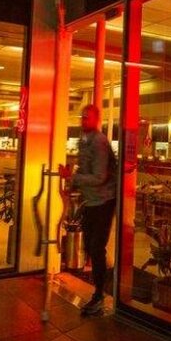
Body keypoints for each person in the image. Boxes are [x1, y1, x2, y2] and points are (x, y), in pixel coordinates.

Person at [62, 104, 116, 315]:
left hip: (104, 201)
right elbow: (84, 169)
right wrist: (72, 183)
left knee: (96, 248)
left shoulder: (99, 142)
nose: (83, 121)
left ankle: (99, 295)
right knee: (89, 246)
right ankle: (99, 291)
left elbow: (99, 177)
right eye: (82, 117)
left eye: (87, 117)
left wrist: (73, 178)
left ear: (96, 119)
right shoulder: (84, 141)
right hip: (91, 201)